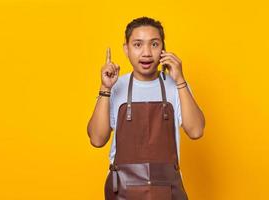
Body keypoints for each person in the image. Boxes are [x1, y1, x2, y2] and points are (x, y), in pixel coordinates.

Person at [87, 16, 205, 200]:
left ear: (163, 49)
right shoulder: (115, 86)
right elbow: (96, 139)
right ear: (126, 49)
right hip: (122, 192)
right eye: (138, 45)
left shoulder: (176, 87)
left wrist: (181, 80)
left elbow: (196, 130)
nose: (147, 53)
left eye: (154, 44)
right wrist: (105, 88)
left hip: (168, 191)